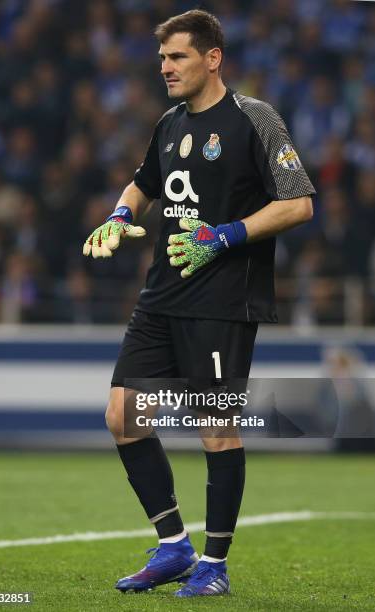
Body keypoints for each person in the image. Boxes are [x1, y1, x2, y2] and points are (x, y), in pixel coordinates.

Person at [83, 9, 315, 598]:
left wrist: (224, 235)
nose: (165, 67)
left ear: (213, 58)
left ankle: (214, 566)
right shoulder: (168, 123)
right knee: (122, 416)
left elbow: (298, 203)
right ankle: (172, 546)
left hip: (222, 300)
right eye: (162, 58)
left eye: (177, 56)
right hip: (162, 295)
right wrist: (118, 215)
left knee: (216, 431)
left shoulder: (254, 119)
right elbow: (144, 182)